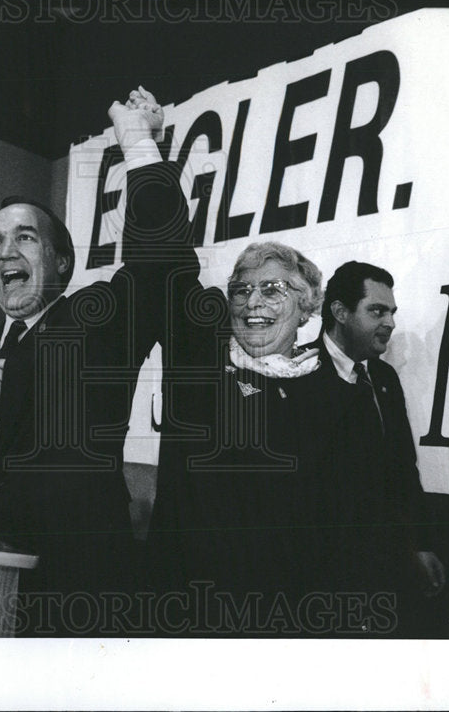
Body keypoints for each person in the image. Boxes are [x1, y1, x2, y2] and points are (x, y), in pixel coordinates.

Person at [0, 88, 185, 635]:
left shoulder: (98, 326)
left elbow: (158, 260)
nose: (6, 252)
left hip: (77, 601)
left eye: (25, 237)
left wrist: (138, 142)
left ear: (61, 261)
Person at [145, 228, 350, 635]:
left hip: (287, 621)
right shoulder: (198, 369)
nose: (252, 302)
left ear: (305, 306)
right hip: (189, 612)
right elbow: (164, 258)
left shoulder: (336, 397)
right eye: (241, 291)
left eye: (272, 290)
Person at [300, 260, 446, 634]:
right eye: (377, 311)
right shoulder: (297, 374)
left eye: (392, 312)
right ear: (340, 312)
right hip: (319, 581)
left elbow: (403, 468)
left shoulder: (383, 377)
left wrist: (421, 545)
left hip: (385, 571)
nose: (391, 323)